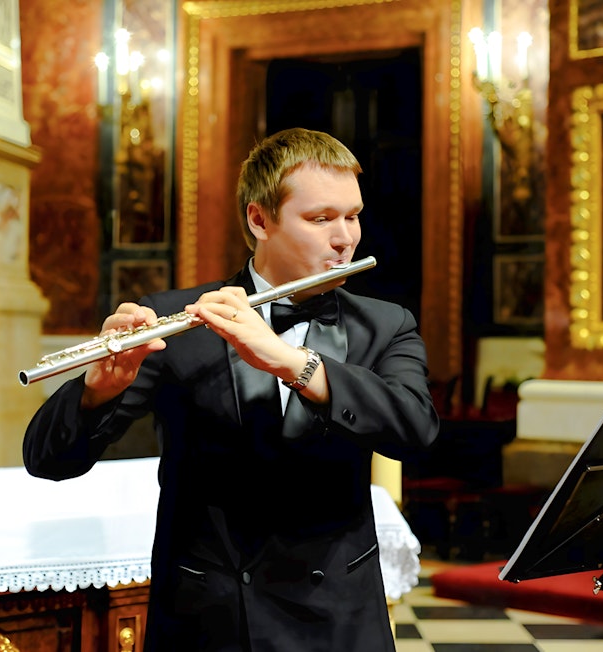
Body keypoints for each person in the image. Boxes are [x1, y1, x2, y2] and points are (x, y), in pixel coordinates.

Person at [23, 127, 439, 651]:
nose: (345, 238)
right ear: (259, 219)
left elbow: (416, 430)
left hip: (339, 619)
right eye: (320, 219)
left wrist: (294, 363)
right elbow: (47, 459)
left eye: (352, 215)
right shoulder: (182, 320)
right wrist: (97, 389)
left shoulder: (385, 324)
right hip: (209, 620)